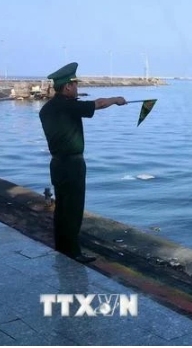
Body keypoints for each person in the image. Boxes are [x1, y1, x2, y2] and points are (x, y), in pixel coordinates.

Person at [39, 62, 127, 264]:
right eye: (75, 85)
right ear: (68, 86)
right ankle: (73, 252)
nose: (78, 89)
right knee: (73, 209)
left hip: (57, 164)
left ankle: (62, 247)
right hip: (72, 165)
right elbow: (99, 104)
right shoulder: (68, 105)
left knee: (62, 208)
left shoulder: (47, 109)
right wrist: (117, 99)